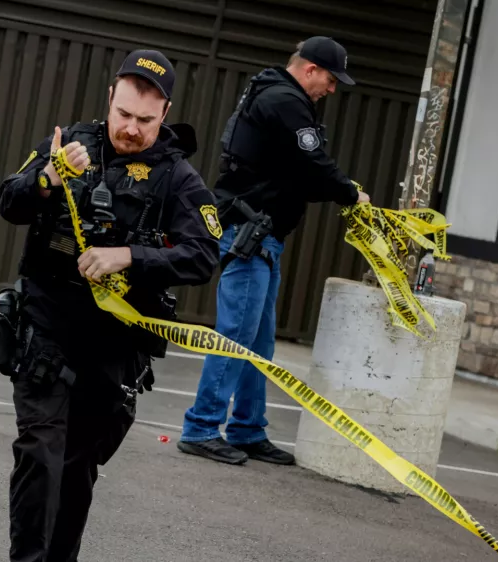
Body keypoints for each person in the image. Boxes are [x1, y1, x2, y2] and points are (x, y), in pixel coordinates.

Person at [0, 48, 220, 562]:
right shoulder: (70, 144)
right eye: (124, 115)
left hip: (115, 348)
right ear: (110, 99)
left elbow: (204, 255)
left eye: (145, 120)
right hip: (48, 327)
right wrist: (48, 177)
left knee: (77, 469)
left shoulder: (177, 178)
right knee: (39, 451)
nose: (132, 129)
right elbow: (10, 201)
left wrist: (128, 257)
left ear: (164, 114)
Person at [177, 36, 371, 466]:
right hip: (251, 233)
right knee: (237, 337)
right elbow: (313, 164)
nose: (332, 88)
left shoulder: (276, 94)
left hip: (263, 236)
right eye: (330, 78)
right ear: (308, 70)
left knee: (259, 343)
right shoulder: (286, 100)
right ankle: (202, 427)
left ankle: (247, 429)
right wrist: (349, 194)